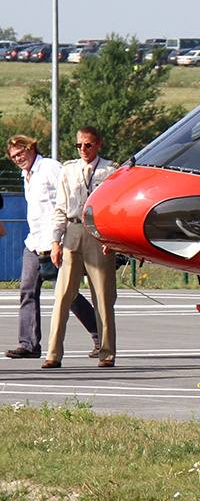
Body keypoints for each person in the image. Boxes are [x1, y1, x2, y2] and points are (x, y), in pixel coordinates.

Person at [5, 135, 99, 359]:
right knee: (27, 290)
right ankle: (28, 344)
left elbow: (71, 194)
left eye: (20, 154)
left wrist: (66, 235)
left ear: (31, 148)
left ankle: (100, 336)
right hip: (35, 241)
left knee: (68, 293)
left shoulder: (49, 168)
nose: (18, 159)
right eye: (13, 157)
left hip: (57, 240)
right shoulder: (25, 175)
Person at [43, 127, 118, 368]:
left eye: (88, 145)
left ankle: (107, 353)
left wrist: (112, 239)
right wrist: (55, 241)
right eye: (79, 145)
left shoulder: (110, 170)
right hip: (73, 232)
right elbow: (60, 207)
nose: (83, 149)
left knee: (103, 298)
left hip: (98, 233)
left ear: (98, 145)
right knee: (62, 296)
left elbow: (115, 207)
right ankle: (53, 354)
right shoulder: (69, 169)